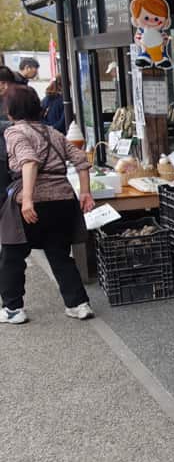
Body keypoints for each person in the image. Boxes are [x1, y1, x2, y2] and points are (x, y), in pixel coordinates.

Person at [0, 85, 95, 324]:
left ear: (10, 111)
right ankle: (78, 304)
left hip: (32, 202)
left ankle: (13, 309)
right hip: (63, 200)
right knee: (59, 253)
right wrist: (85, 192)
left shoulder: (14, 132)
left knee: (12, 254)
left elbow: (29, 162)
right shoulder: (52, 132)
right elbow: (82, 161)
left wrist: (28, 199)